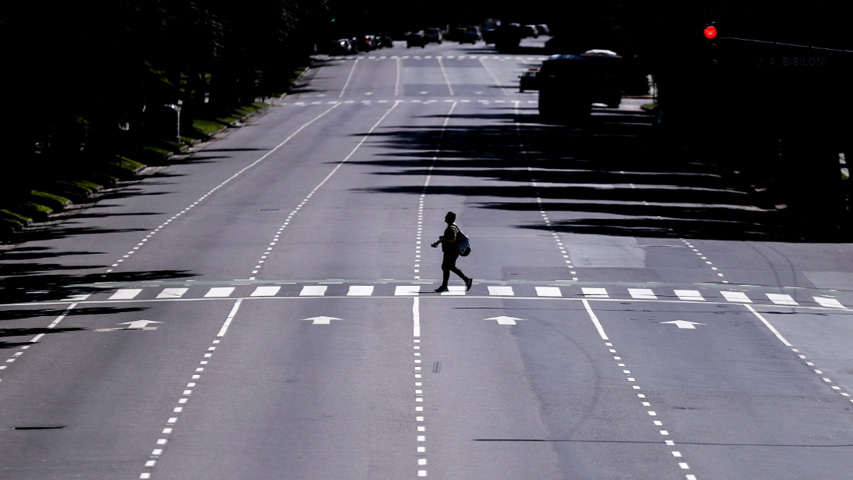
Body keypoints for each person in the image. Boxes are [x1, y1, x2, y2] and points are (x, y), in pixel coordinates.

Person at [431, 211, 473, 293]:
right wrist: (438, 242)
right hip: (451, 251)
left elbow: (452, 239)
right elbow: (447, 238)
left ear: (450, 219)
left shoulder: (451, 228)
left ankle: (465, 279)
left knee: (448, 266)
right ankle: (445, 285)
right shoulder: (453, 226)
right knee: (446, 267)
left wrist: (442, 239)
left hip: (451, 251)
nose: (445, 218)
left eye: (446, 217)